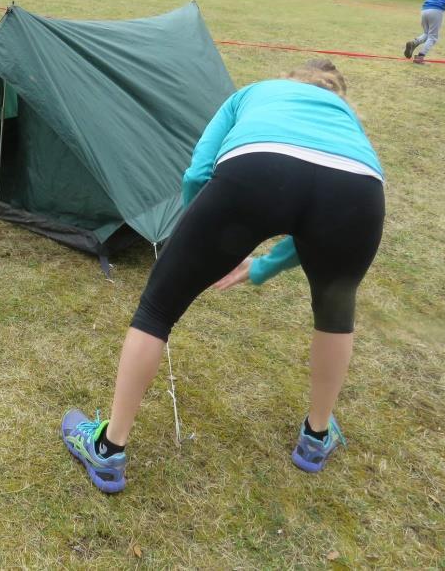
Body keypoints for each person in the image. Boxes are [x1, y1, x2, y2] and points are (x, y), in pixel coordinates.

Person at [61, 59, 385, 493]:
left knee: (157, 309)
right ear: (338, 96)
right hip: (359, 187)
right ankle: (316, 436)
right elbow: (318, 211)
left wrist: (198, 236)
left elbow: (198, 173)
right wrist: (265, 265)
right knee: (335, 312)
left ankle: (108, 450)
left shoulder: (255, 92)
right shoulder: (346, 123)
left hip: (259, 168)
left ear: (288, 80)